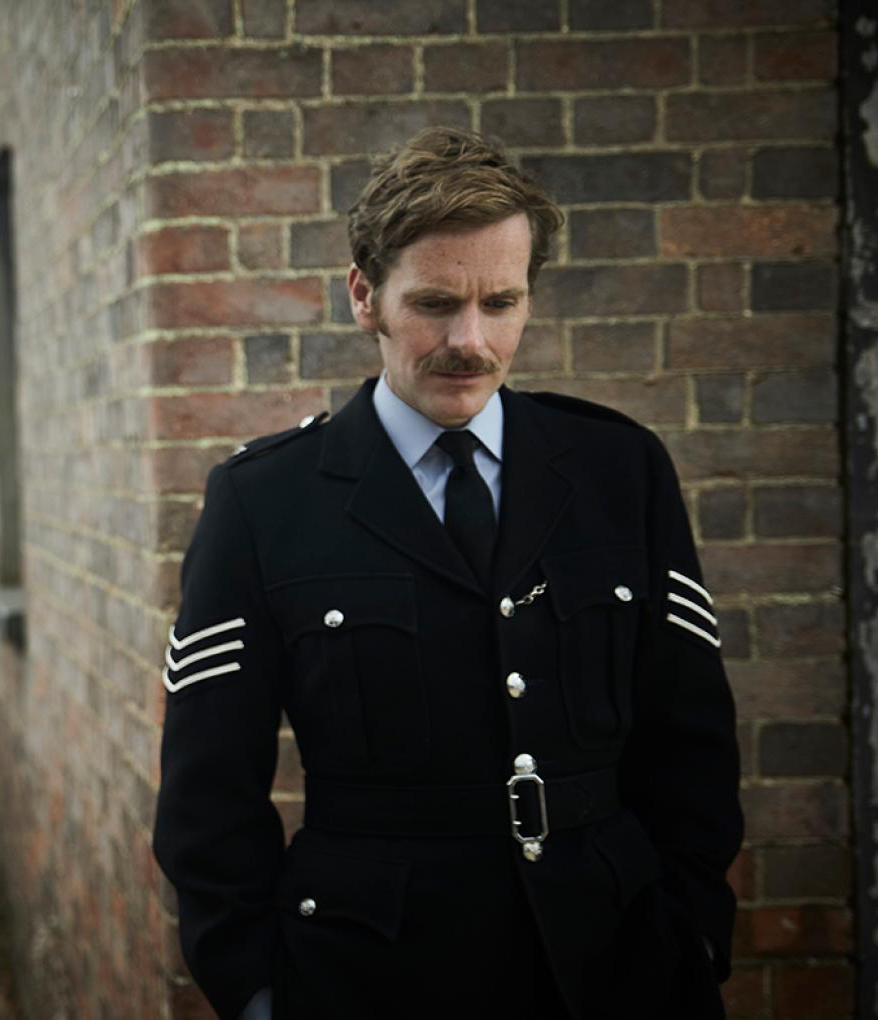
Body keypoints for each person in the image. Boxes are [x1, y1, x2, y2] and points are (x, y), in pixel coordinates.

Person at [152, 127, 741, 1019]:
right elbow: (207, 798)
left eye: (500, 302)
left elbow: (691, 741)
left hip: (616, 967)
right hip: (371, 977)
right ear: (365, 297)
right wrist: (259, 992)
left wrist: (692, 936)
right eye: (435, 304)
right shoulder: (264, 503)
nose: (470, 341)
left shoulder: (621, 471)